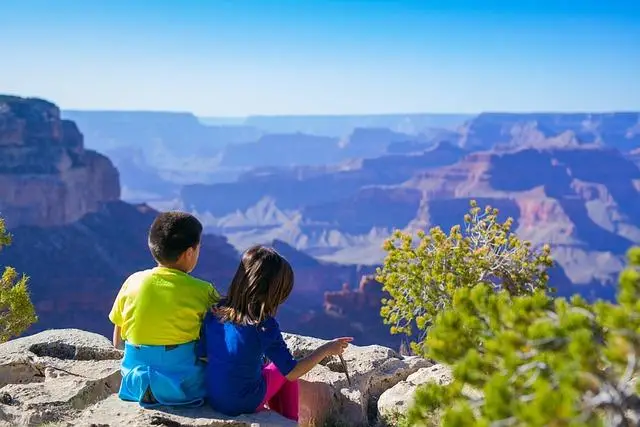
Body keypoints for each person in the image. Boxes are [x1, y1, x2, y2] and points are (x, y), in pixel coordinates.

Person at [199, 245, 353, 422]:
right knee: (282, 370)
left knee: (267, 368)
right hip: (243, 403)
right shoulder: (263, 325)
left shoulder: (215, 311)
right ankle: (289, 421)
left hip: (214, 397)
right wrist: (327, 349)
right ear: (273, 292)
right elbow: (292, 372)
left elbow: (205, 356)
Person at [109, 211, 219, 407]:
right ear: (190, 253)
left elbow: (118, 338)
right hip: (183, 387)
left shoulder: (132, 281)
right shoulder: (204, 291)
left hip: (135, 385)